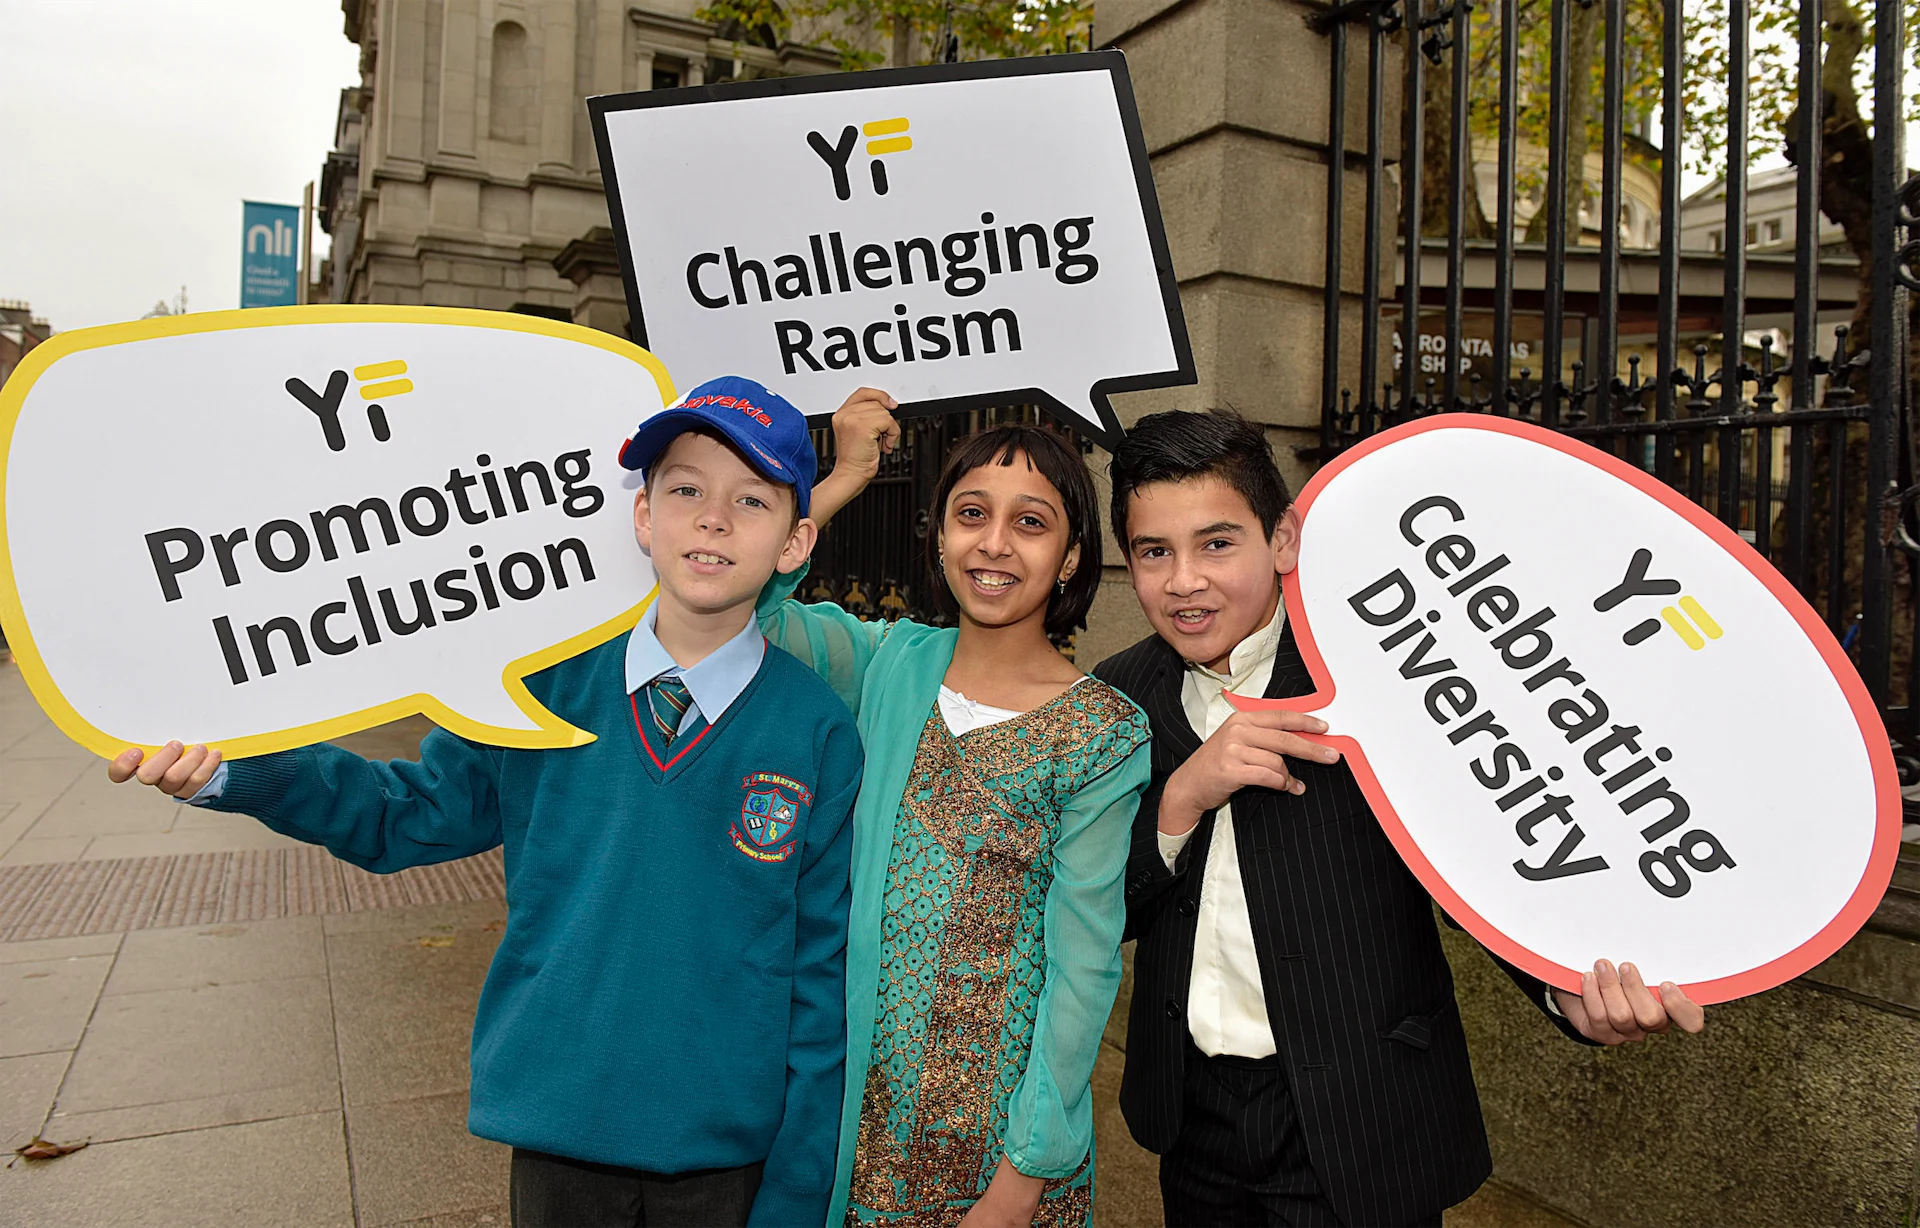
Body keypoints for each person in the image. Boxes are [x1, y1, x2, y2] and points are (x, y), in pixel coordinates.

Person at [108, 376, 865, 1228]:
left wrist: (800, 1187)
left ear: (796, 539)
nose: (713, 519)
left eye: (751, 500)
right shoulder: (539, 689)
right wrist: (231, 769)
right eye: (685, 488)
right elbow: (403, 811)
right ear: (644, 516)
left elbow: (817, 973)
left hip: (729, 1154)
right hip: (560, 1122)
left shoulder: (816, 730)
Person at [1091, 409, 1707, 1228]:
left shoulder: (1388, 672)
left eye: (1217, 543)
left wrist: (1570, 994)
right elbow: (1101, 905)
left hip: (1361, 1115)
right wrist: (1181, 799)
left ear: (1283, 541)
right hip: (1192, 1115)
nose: (1184, 580)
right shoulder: (1117, 692)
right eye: (1153, 553)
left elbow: (1489, 846)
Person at [756, 392, 1151, 1227]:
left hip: (998, 1146)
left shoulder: (1104, 735)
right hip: (860, 1115)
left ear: (1074, 555)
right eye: (971, 514)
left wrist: (1029, 1170)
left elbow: (1084, 969)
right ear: (938, 536)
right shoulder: (886, 661)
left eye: (1031, 522)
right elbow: (746, 610)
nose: (995, 543)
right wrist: (843, 478)